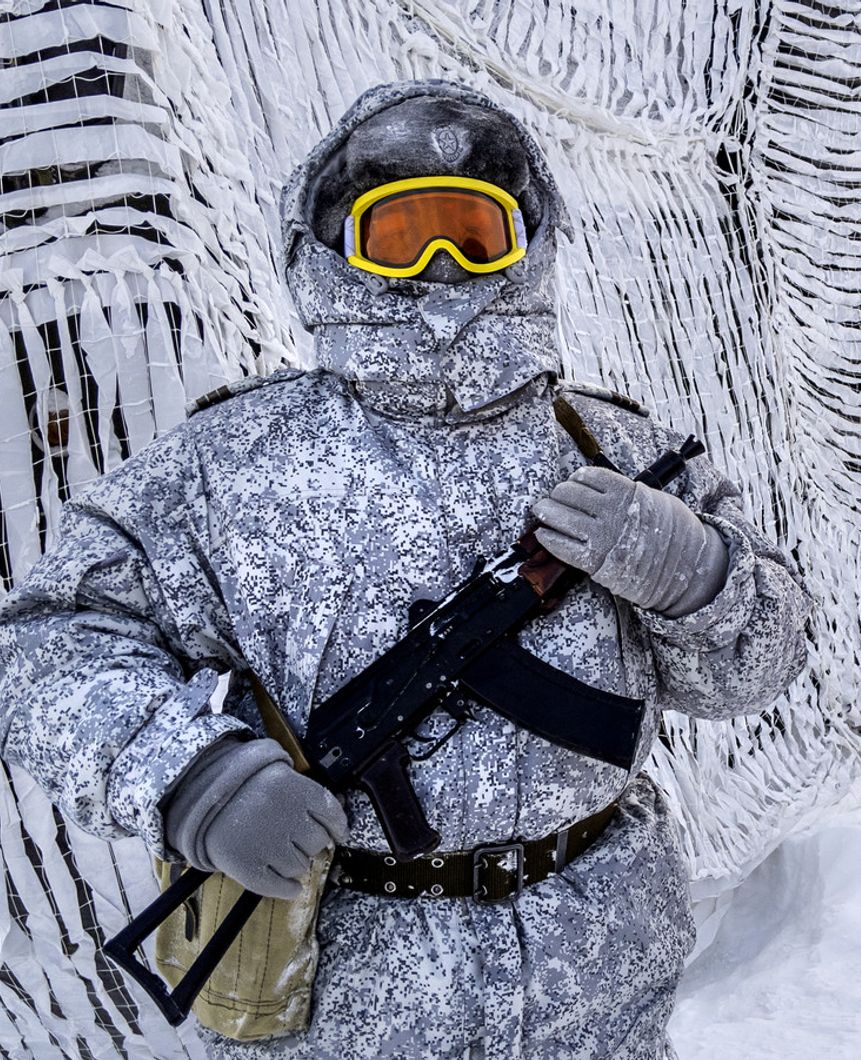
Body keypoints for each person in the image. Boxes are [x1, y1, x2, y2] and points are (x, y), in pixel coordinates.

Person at [0, 78, 812, 1058]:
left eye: (475, 236)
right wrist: (196, 779)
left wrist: (702, 574)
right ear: (330, 255)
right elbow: (42, 652)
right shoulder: (231, 471)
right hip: (351, 1004)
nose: (442, 276)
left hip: (603, 974)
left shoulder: (621, 453)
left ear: (533, 246)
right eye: (401, 237)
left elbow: (759, 671)